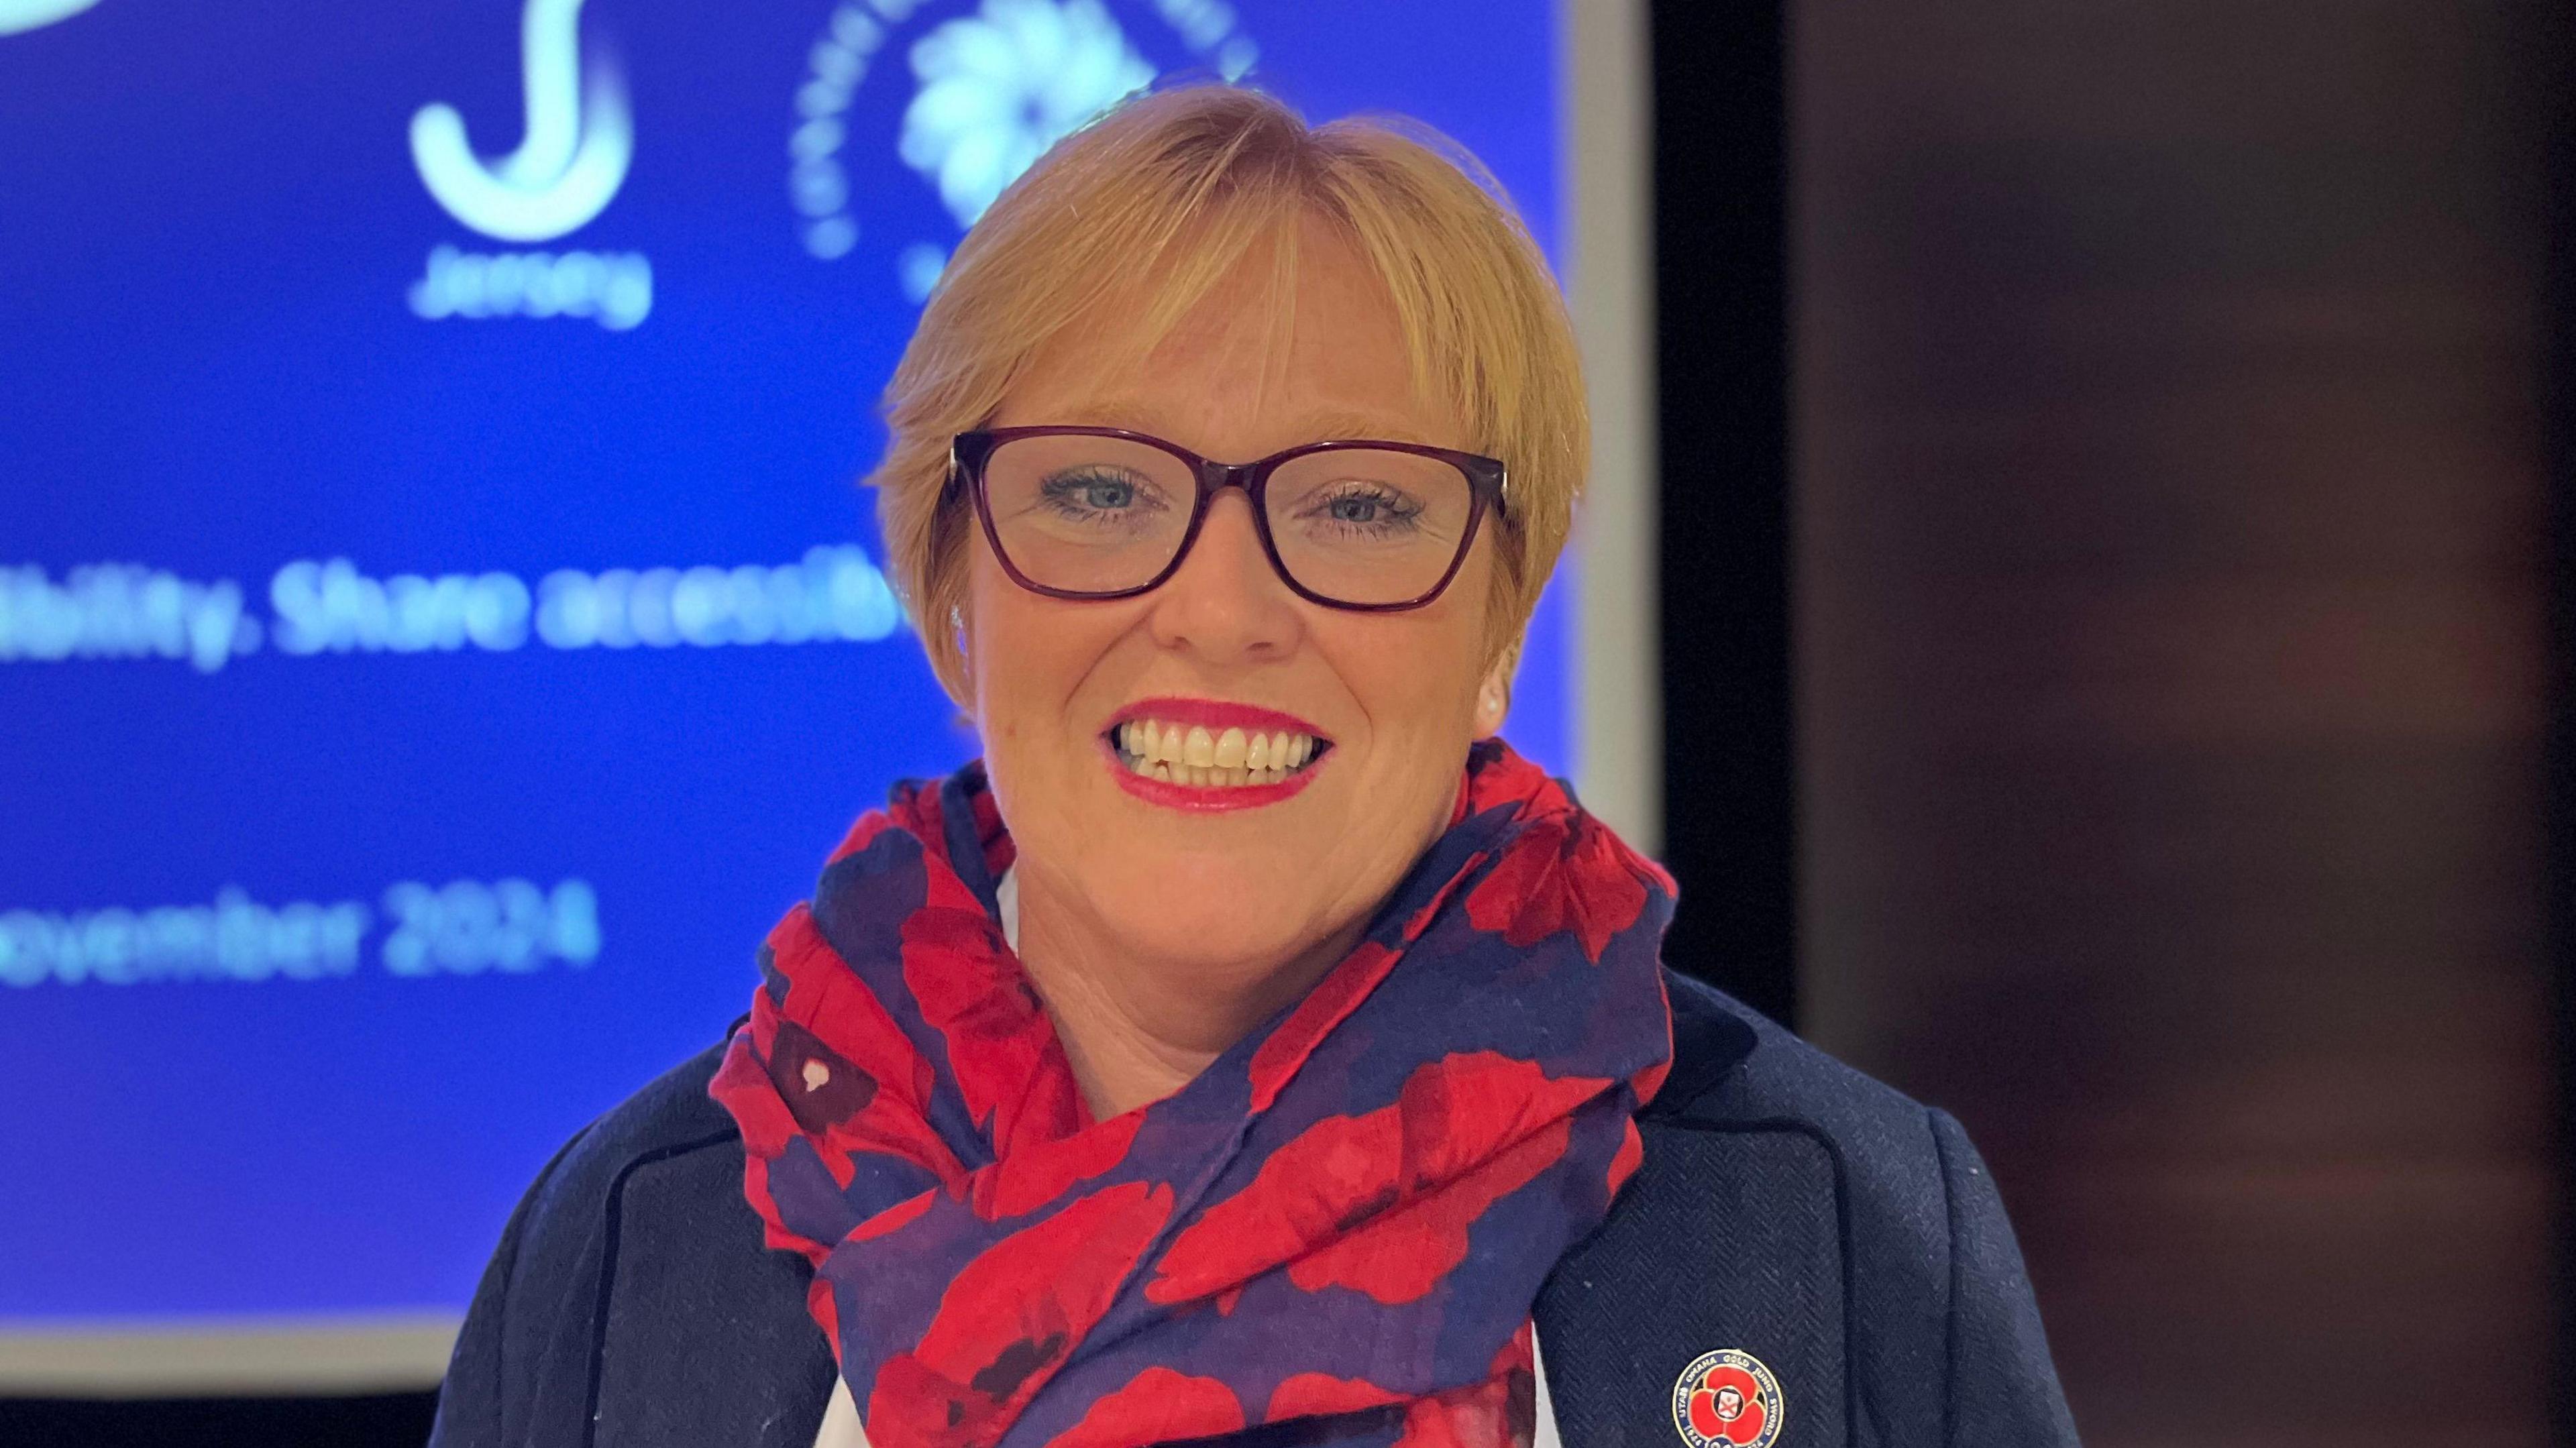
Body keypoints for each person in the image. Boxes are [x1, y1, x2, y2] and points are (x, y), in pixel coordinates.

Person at [427, 85, 2078, 1448]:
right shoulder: (627, 1252)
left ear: (1500, 617)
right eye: (1099, 494)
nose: (1219, 611)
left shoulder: (1845, 1231)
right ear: (950, 593)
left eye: (1359, 505)